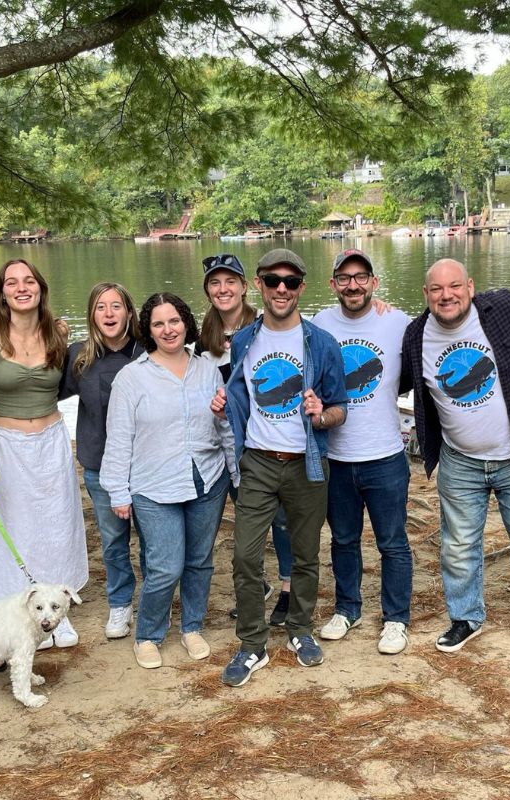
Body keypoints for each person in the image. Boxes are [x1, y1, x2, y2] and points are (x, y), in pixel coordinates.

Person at [400, 258, 510, 667]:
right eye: (436, 289)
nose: (446, 295)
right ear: (426, 295)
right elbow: (398, 381)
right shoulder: (416, 334)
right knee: (457, 546)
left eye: (454, 286)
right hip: (459, 461)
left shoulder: (504, 309)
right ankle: (466, 617)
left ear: (470, 287)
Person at [211, 248, 347, 686]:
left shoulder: (321, 343)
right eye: (273, 281)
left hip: (307, 464)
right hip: (258, 463)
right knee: (245, 555)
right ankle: (252, 644)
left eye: (291, 281)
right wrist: (224, 406)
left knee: (306, 556)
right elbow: (240, 394)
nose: (282, 289)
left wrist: (321, 414)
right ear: (260, 285)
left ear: (302, 287)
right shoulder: (245, 339)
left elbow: (340, 409)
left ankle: (300, 630)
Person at [101, 292, 237, 669]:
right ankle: (148, 634)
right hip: (153, 486)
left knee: (199, 561)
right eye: (158, 323)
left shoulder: (207, 369)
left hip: (207, 480)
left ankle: (192, 627)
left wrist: (235, 471)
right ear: (148, 329)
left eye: (174, 321)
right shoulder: (132, 377)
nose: (168, 329)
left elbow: (223, 425)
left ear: (186, 323)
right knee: (165, 566)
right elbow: (118, 439)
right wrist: (118, 491)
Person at [0, 259, 87, 648]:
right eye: (12, 282)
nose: (22, 287)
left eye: (29, 280)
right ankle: (10, 617)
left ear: (40, 287)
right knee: (9, 528)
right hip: (5, 442)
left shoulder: (59, 330)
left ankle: (55, 614)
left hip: (51, 440)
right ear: (1, 291)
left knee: (54, 528)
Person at [311, 249, 414, 655]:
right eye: (344, 277)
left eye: (361, 276)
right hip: (336, 457)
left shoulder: (398, 321)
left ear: (374, 282)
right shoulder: (318, 324)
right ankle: (347, 608)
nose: (353, 284)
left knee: (393, 542)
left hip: (385, 455)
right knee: (343, 539)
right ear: (333, 284)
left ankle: (396, 619)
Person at [195, 253, 291, 625]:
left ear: (245, 286)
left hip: (266, 441)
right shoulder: (201, 338)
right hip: (226, 447)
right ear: (208, 290)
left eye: (230, 281)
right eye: (215, 283)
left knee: (280, 520)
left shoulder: (266, 326)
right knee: (248, 520)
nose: (223, 289)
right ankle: (259, 585)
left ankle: (287, 589)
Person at [59, 282, 144, 640]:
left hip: (147, 464)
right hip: (99, 463)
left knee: (154, 540)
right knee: (113, 540)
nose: (109, 314)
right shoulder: (78, 355)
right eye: (101, 307)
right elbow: (44, 391)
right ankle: (120, 602)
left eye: (116, 306)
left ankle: (154, 603)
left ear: (128, 311)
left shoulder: (147, 351)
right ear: (91, 314)